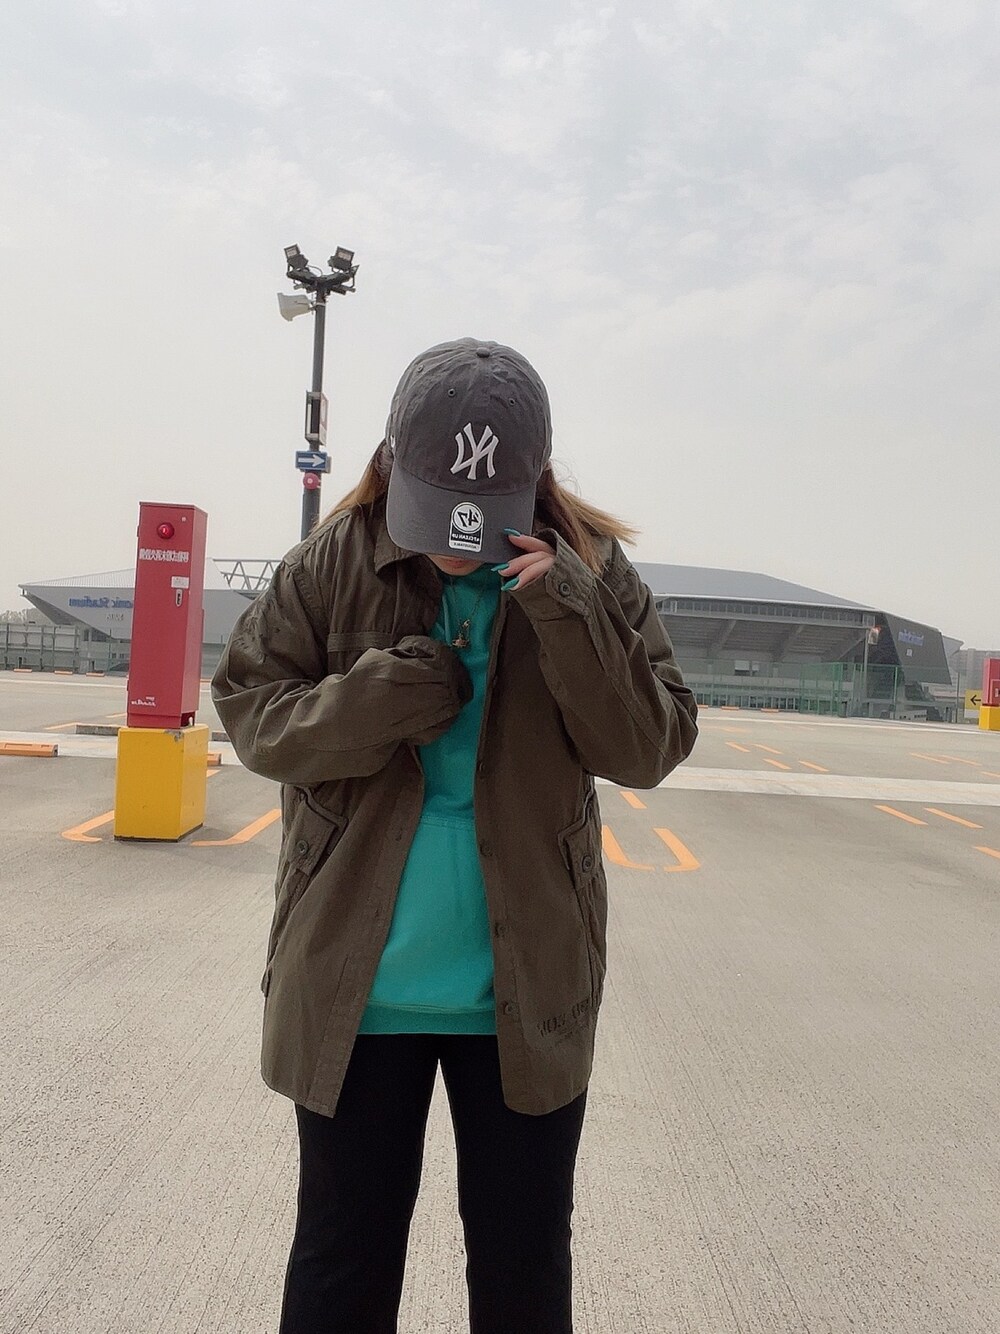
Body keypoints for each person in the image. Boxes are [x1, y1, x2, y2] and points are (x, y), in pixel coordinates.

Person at [212, 337, 698, 1334]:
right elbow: (255, 718)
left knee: (524, 1269)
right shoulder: (332, 562)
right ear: (391, 462)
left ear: (534, 483)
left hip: (524, 989)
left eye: (483, 516)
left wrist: (567, 610)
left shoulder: (595, 575)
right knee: (341, 1267)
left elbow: (650, 745)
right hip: (356, 990)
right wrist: (379, 698)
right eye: (440, 513)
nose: (459, 545)